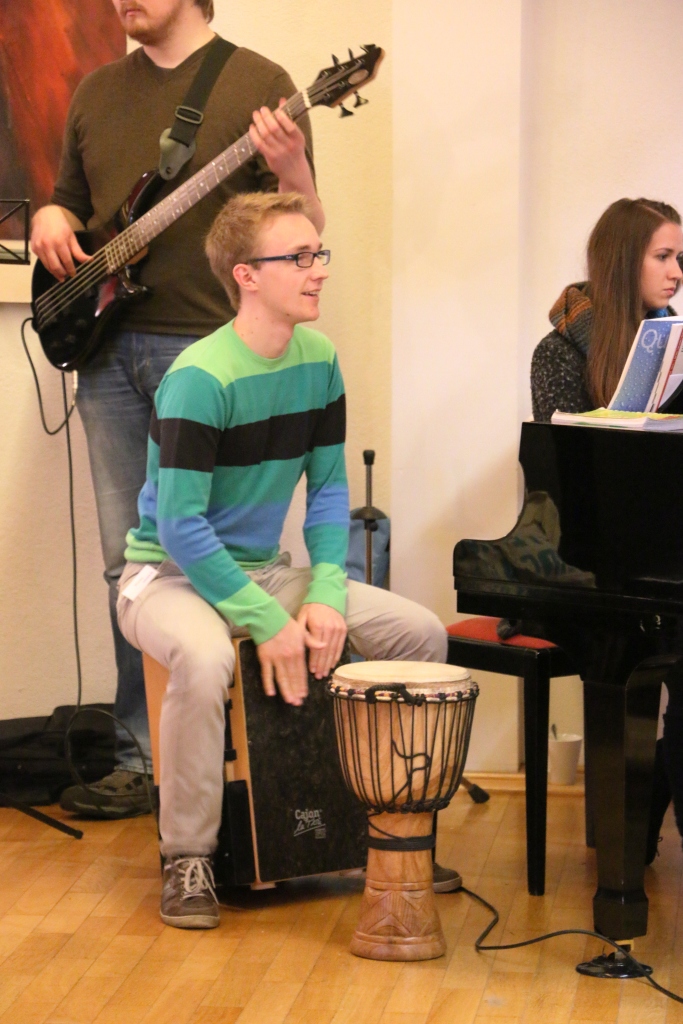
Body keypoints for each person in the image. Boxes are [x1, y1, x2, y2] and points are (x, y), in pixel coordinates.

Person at [115, 191, 449, 927]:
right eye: (298, 257)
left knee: (419, 634)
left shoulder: (319, 361)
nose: (318, 269)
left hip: (262, 569)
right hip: (166, 575)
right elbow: (179, 526)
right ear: (246, 275)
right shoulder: (200, 379)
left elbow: (328, 490)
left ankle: (395, 834)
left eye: (317, 253)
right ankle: (189, 858)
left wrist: (325, 591)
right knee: (206, 657)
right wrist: (267, 620)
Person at [30, 0, 324, 819]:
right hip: (106, 354)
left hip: (212, 361)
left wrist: (294, 169)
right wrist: (51, 214)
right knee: (130, 567)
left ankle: (249, 755)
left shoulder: (261, 83)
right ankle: (142, 756)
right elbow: (70, 204)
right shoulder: (94, 92)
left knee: (235, 556)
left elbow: (304, 230)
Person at [530, 197, 683, 858]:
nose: (677, 271)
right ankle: (633, 823)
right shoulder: (560, 351)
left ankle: (643, 808)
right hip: (587, 562)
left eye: (679, 257)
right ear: (623, 261)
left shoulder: (675, 348)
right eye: (663, 256)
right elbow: (564, 481)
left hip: (664, 554)